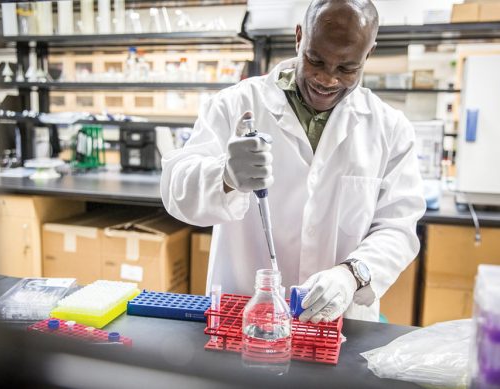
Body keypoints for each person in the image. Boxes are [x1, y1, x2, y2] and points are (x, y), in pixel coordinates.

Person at [161, 0, 425, 323]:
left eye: (346, 68)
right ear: (299, 37)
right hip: (243, 319)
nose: (327, 79)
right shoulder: (235, 105)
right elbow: (176, 190)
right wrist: (225, 175)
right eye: (316, 60)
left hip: (340, 326)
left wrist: (351, 275)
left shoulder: (390, 129)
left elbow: (398, 228)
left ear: (367, 55)